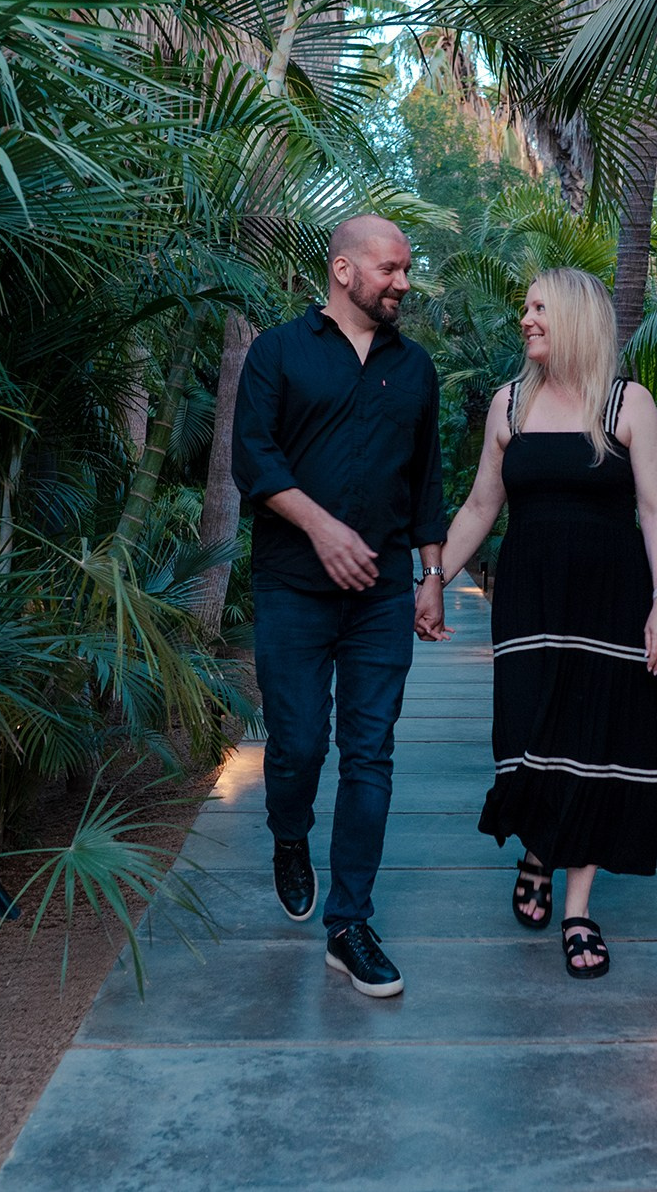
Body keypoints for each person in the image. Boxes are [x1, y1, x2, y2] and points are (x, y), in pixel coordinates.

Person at [418, 267, 657, 979]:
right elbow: (479, 507)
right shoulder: (508, 405)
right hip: (530, 600)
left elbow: (655, 508)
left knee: (595, 740)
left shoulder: (628, 404)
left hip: (611, 601)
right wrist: (433, 576)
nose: (526, 319)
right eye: (525, 308)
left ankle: (578, 906)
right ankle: (538, 848)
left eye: (538, 308)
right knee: (530, 738)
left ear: (573, 317)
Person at [231, 213, 446, 998]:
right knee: (296, 744)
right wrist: (321, 528)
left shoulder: (414, 368)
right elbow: (252, 457)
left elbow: (427, 478)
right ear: (344, 271)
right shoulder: (278, 353)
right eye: (390, 267)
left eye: (406, 268)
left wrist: (431, 574)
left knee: (370, 751)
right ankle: (290, 833)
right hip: (292, 585)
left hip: (384, 593)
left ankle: (349, 921)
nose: (403, 281)